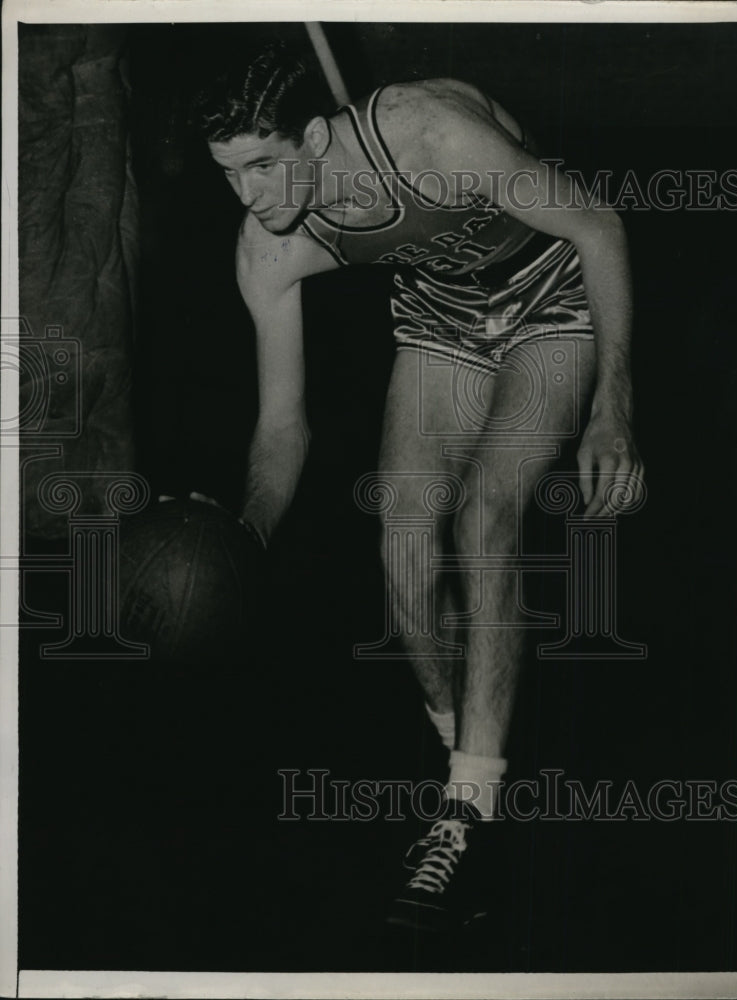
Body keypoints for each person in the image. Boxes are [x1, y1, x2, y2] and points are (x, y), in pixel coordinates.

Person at [195, 41, 644, 932]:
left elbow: (597, 223)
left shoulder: (426, 134)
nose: (249, 196)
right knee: (401, 541)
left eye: (263, 165)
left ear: (316, 138)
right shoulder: (266, 250)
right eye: (228, 174)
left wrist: (613, 408)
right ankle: (466, 759)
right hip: (439, 320)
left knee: (488, 509)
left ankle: (468, 807)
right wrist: (242, 537)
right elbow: (283, 428)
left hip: (550, 292)